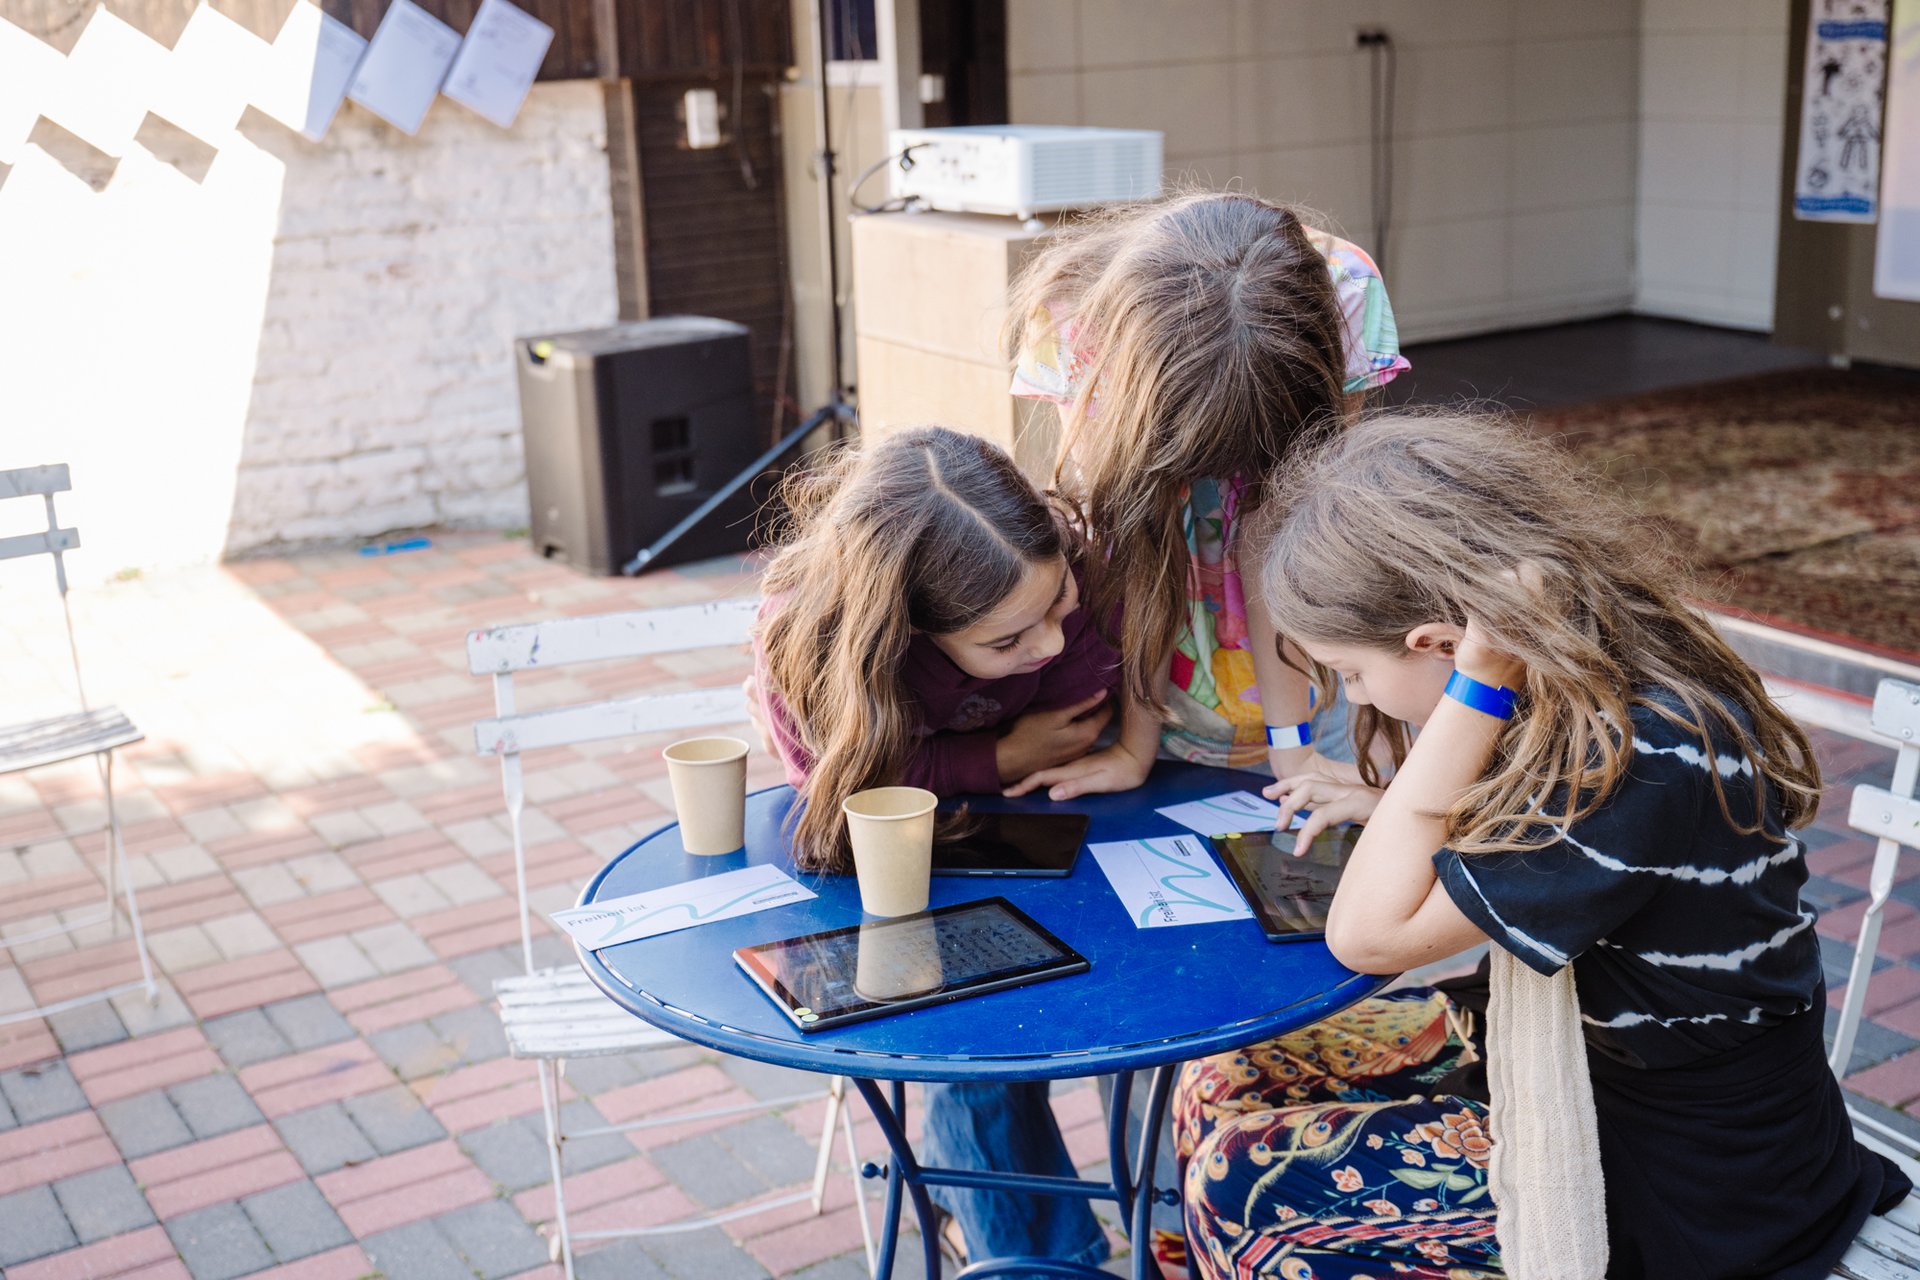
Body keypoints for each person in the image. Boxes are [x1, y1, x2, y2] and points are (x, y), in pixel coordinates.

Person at [1174, 412, 1911, 1280]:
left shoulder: (1636, 754)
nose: (1355, 694)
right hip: (1584, 1062)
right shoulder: (1592, 688)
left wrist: (1476, 690)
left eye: (1353, 673)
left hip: (1686, 1174)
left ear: (1445, 646)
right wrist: (1386, 798)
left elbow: (1367, 935)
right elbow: (1547, 848)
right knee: (1226, 1078)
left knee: (1245, 1186)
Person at [752, 426, 1116, 1268]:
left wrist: (1002, 740)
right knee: (964, 1026)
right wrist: (999, 755)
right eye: (1007, 642)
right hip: (882, 863)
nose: (1050, 643)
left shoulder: (1045, 567)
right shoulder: (806, 640)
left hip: (1059, 831)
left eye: (1057, 603)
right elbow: (844, 793)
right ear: (904, 629)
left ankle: (1005, 1231)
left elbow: (1090, 693)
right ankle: (1040, 1260)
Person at [1002, 190, 1409, 802]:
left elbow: (1286, 522)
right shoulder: (1072, 316)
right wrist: (1135, 745)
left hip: (1308, 639)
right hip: (1161, 657)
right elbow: (1134, 536)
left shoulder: (1344, 287)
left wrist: (1290, 750)